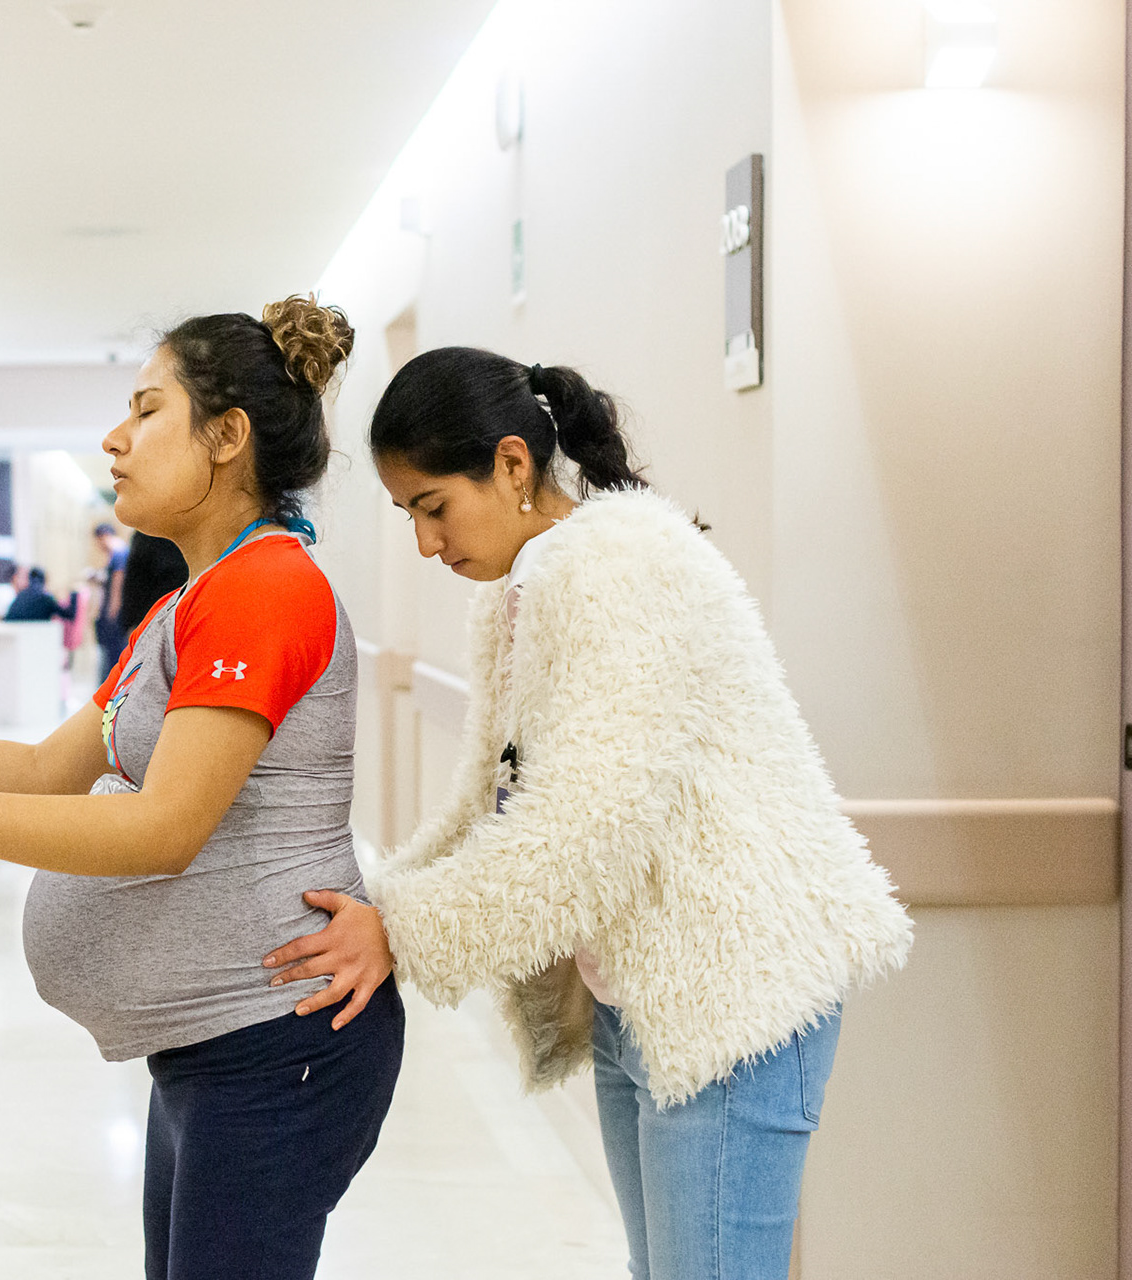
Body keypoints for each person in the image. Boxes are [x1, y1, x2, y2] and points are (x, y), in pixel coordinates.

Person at [0, 297, 403, 1280]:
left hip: (279, 1042)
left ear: (228, 436)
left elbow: (164, 828)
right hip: (210, 1044)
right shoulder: (188, 603)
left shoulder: (267, 586)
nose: (115, 438)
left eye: (146, 410)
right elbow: (42, 766)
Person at [264, 347, 914, 1279]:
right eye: (408, 515)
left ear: (514, 464)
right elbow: (491, 801)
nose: (424, 543)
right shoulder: (522, 591)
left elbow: (584, 835)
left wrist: (395, 929)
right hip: (639, 999)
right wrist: (369, 900)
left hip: (733, 994)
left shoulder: (619, 564)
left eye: (433, 506)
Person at [115, 531, 189, 636]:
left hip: (151, 617)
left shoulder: (148, 532)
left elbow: (135, 582)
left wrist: (129, 622)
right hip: (185, 615)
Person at [91, 521, 130, 677]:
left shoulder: (118, 552)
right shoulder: (117, 553)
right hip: (115, 611)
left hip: (115, 613)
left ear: (102, 537)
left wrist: (113, 609)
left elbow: (118, 580)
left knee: (114, 654)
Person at [1, 565, 76, 622]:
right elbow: (69, 615)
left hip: (14, 636)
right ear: (45, 581)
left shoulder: (21, 595)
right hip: (35, 637)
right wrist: (74, 593)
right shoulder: (46, 598)